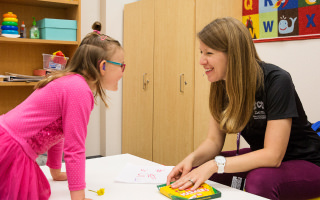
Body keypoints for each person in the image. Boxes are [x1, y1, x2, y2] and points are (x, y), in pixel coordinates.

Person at [166, 17, 320, 200]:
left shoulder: (277, 80)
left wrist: (215, 165)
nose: (201, 60)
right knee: (200, 170)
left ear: (233, 54)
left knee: (259, 180)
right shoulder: (221, 85)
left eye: (208, 53)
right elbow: (214, 141)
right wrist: (191, 160)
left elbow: (273, 156)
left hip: (306, 161)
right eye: (201, 52)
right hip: (265, 159)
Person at [0, 21, 125, 200]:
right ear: (103, 66)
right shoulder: (79, 90)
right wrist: (78, 197)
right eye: (122, 65)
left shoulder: (71, 83)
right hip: (10, 149)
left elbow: (58, 130)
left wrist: (55, 170)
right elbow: (75, 149)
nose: (122, 72)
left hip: (8, 141)